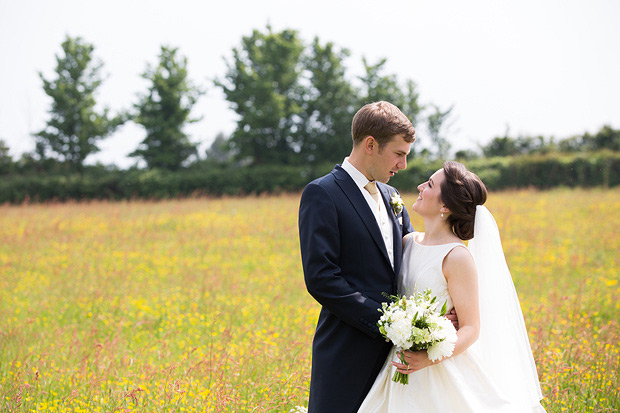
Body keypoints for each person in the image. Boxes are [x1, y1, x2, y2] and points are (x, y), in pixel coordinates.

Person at [358, 161, 546, 412]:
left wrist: (427, 355)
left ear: (445, 206)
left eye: (430, 185)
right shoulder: (407, 242)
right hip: (399, 363)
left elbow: (470, 328)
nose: (420, 186)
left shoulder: (456, 257)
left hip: (438, 366)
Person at [298, 101, 418, 412]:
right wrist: (385, 322)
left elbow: (410, 261)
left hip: (398, 358)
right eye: (399, 154)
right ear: (370, 145)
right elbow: (321, 278)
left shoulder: (393, 197)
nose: (403, 165)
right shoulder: (323, 193)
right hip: (345, 352)